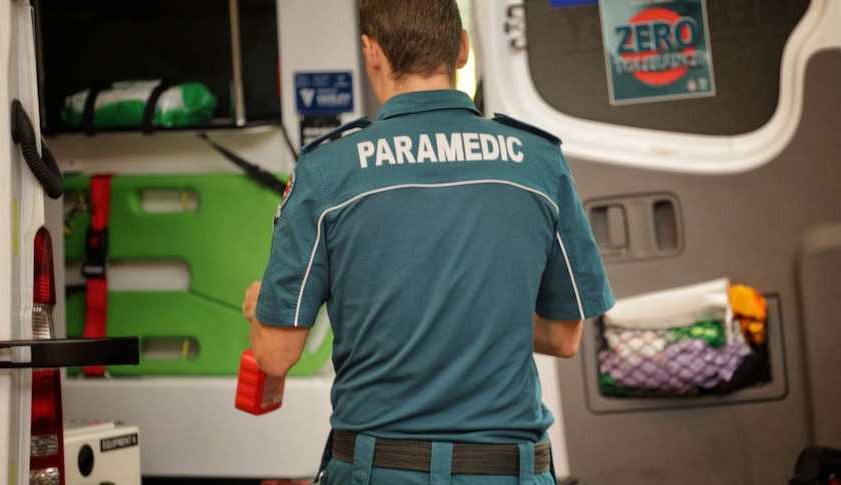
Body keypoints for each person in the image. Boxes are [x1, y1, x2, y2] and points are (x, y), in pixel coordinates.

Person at [241, 0, 614, 483]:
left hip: (381, 470)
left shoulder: (327, 172)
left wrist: (259, 309)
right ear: (461, 49)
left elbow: (276, 355)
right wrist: (478, 316)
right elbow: (565, 337)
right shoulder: (538, 162)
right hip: (509, 471)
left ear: (371, 53)